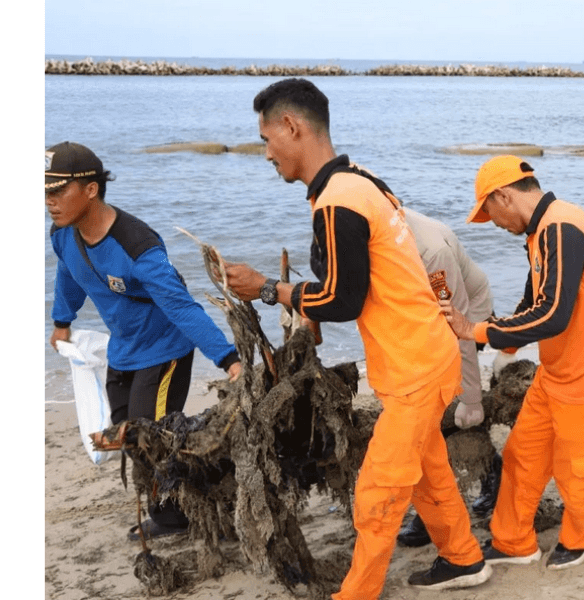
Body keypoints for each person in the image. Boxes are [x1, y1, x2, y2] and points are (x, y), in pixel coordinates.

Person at [222, 78, 490, 598]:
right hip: (423, 355)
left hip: (415, 364)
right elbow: (360, 280)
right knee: (428, 469)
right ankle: (463, 558)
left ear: (291, 127)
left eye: (265, 139)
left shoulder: (338, 200)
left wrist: (268, 290)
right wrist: (303, 293)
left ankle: (358, 592)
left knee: (376, 490)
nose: (266, 154)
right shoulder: (358, 180)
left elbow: (343, 301)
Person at [440, 155, 584, 571]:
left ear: (504, 196)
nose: (492, 222)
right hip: (558, 374)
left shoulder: (562, 227)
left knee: (579, 471)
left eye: (489, 212)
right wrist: (503, 346)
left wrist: (475, 330)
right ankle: (514, 542)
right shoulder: (541, 230)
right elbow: (533, 300)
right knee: (522, 455)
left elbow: (553, 314)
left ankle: (578, 540)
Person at [46, 141, 242, 541]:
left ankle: (186, 515)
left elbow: (183, 308)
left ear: (90, 189)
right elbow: (69, 273)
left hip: (165, 352)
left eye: (57, 191)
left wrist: (229, 360)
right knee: (132, 436)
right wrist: (62, 322)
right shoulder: (63, 234)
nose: (48, 201)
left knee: (149, 435)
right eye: (44, 191)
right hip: (124, 348)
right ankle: (179, 511)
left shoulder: (138, 248)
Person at [393, 203, 506, 548]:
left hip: (469, 314)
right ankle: (488, 480)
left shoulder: (431, 252)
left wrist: (472, 400)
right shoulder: (381, 224)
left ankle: (481, 484)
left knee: (451, 413)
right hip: (432, 317)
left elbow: (459, 329)